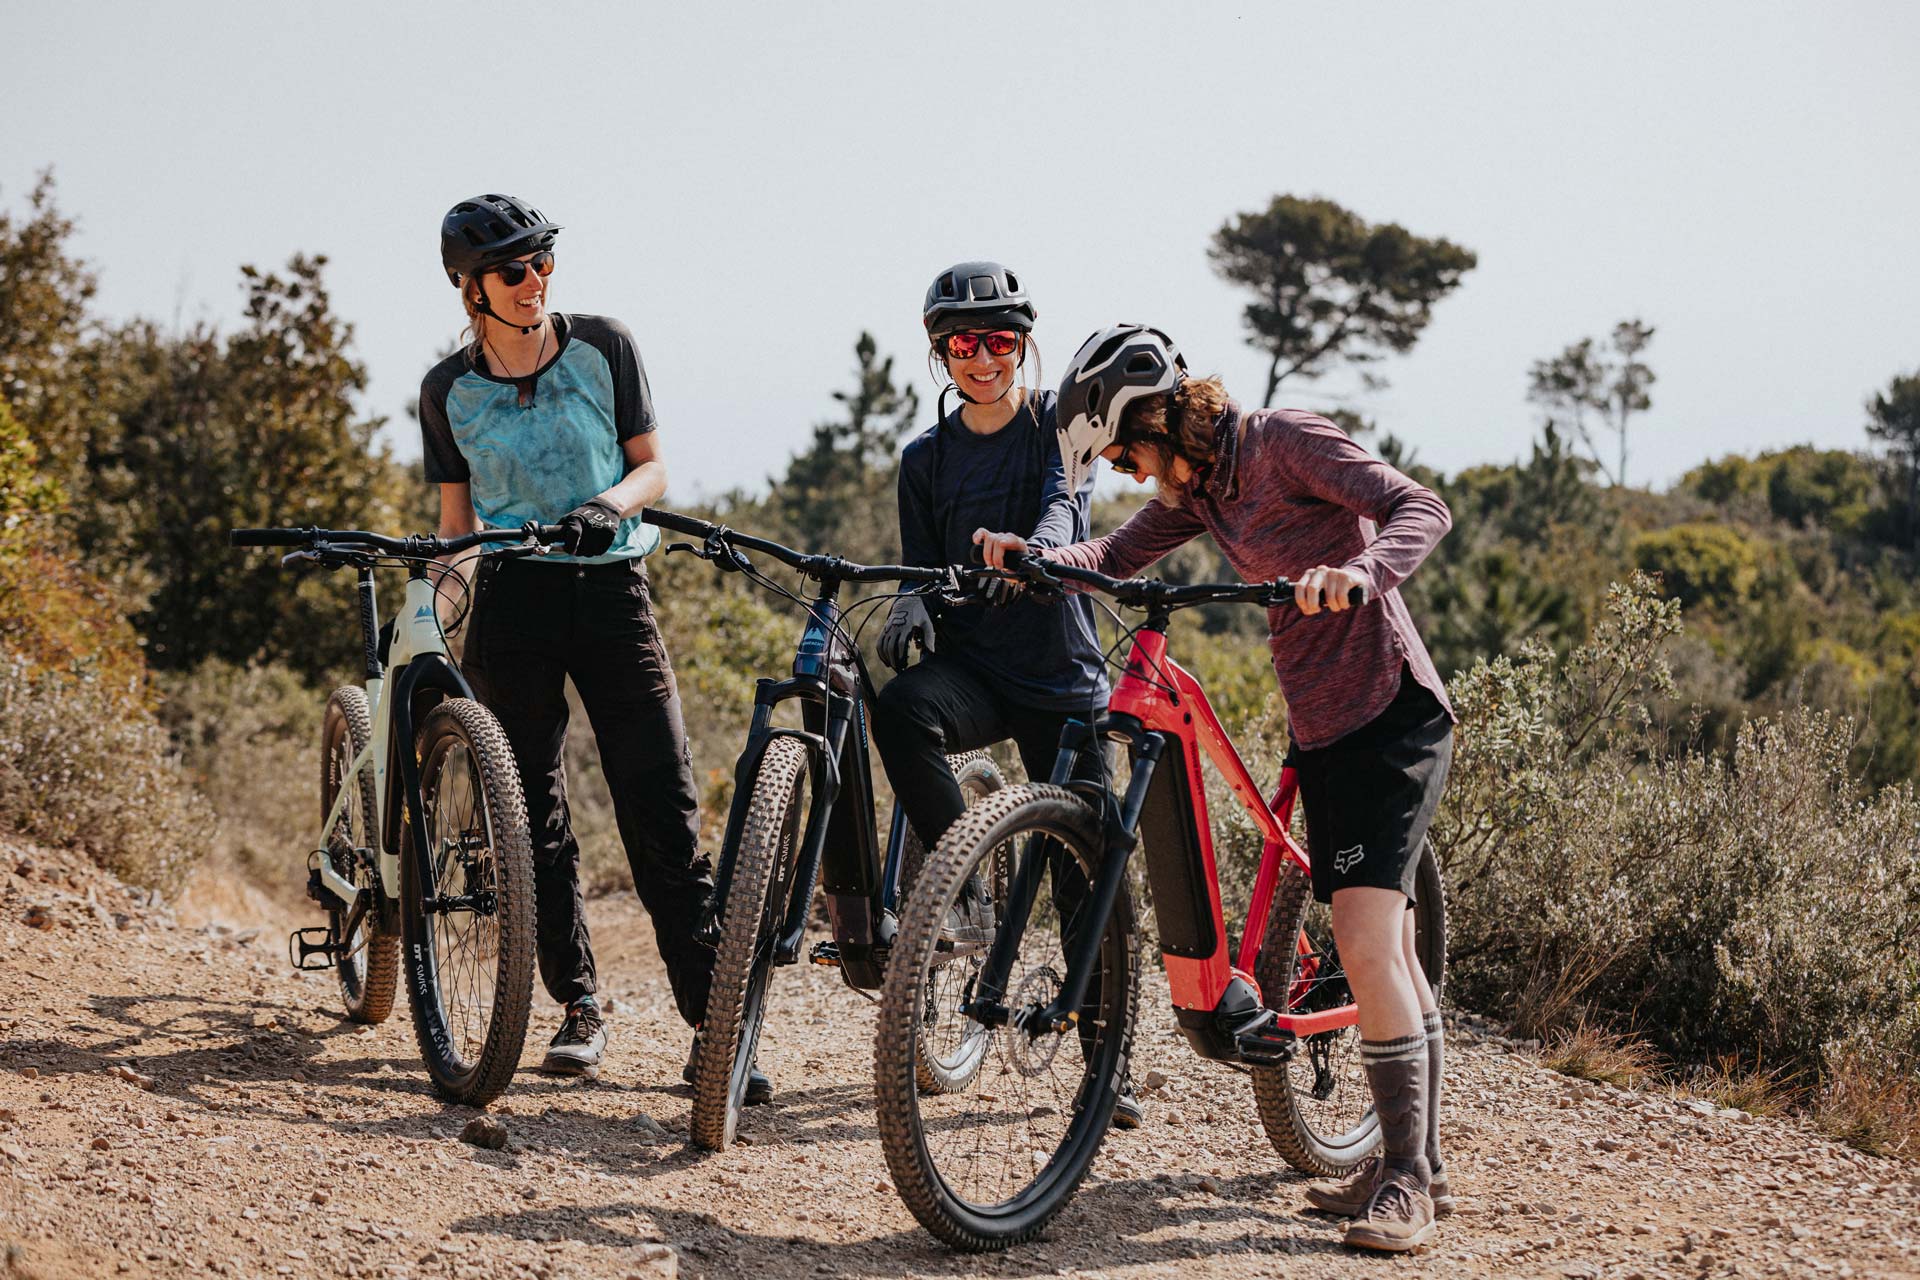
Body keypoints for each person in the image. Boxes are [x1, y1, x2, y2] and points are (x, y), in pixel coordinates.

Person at [975, 324, 1456, 1252]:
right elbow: (1113, 557)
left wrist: (1358, 572)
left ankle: (1407, 1185)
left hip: (1391, 712)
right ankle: (1415, 1156)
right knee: (1382, 947)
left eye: (1125, 451)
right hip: (1324, 726)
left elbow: (1419, 508)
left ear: (1155, 415)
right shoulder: (1207, 491)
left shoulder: (1283, 440)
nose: (1128, 470)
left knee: (1363, 939)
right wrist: (1027, 558)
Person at [419, 194, 748, 1094]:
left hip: (610, 587)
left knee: (662, 804)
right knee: (529, 816)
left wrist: (609, 505)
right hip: (513, 599)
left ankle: (712, 1025)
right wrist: (429, 600)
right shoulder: (448, 392)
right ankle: (578, 1008)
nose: (536, 284)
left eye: (544, 265)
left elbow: (653, 465)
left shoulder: (603, 344)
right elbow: (457, 525)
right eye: (514, 272)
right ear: (469, 287)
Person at [871, 262, 1141, 1128]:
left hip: (1062, 679)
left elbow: (1067, 508)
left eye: (1000, 340)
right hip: (977, 673)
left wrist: (1037, 554)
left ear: (1023, 345)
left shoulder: (1054, 430)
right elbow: (920, 564)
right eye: (964, 342)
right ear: (941, 353)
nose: (983, 358)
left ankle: (1109, 1060)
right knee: (898, 708)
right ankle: (961, 873)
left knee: (1084, 865)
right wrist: (914, 597)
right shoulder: (925, 460)